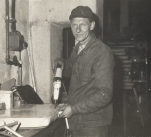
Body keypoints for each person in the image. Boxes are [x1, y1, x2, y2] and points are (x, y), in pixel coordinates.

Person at [53, 6, 115, 137]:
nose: (78, 29)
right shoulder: (77, 48)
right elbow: (72, 71)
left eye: (82, 25)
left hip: (93, 124)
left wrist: (73, 108)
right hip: (78, 121)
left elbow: (105, 93)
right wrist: (62, 64)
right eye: (74, 25)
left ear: (92, 25)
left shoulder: (101, 52)